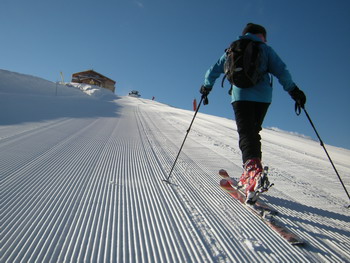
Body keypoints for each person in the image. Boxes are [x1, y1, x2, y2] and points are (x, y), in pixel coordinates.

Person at [200, 23, 306, 204]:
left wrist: (206, 87)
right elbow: (282, 70)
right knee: (253, 132)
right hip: (263, 98)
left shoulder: (232, 48)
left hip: (240, 96)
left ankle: (253, 171)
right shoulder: (265, 49)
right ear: (261, 35)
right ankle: (252, 169)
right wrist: (294, 91)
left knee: (246, 133)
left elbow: (214, 69)